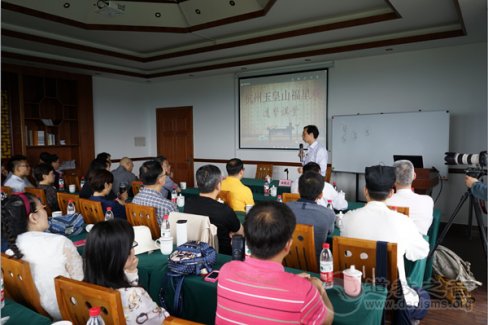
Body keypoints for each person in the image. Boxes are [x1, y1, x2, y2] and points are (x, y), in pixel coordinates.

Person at [216, 201, 334, 324]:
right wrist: (320, 289)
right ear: (288, 245)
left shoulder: (226, 271)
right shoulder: (305, 292)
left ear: (247, 241)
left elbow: (260, 286)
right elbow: (327, 320)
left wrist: (294, 282)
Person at [341, 165, 430, 324]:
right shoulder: (402, 221)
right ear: (391, 193)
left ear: (365, 190)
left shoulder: (348, 218)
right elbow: (421, 252)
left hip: (355, 288)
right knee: (424, 297)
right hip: (391, 295)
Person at [1, 192, 83, 320]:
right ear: (33, 218)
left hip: (39, 312)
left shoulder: (10, 251)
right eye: (43, 208)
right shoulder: (59, 242)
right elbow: (81, 284)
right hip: (71, 313)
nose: (46, 212)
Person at [84, 219, 169, 324]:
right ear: (121, 254)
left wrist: (131, 273)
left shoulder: (81, 287)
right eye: (131, 245)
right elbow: (160, 321)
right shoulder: (133, 295)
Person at [184, 165, 243, 255]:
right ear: (218, 185)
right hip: (222, 255)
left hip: (195, 252)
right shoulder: (224, 210)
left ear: (198, 184)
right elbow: (241, 232)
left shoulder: (188, 204)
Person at [286, 171, 335, 262]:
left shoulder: (283, 208)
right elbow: (330, 232)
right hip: (315, 267)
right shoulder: (328, 214)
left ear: (298, 190)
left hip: (286, 261)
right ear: (320, 195)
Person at [386, 160, 434, 235]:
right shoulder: (428, 200)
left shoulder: (385, 201)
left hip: (390, 243)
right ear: (414, 176)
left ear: (393, 179)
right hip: (417, 244)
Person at [132, 160, 177, 225]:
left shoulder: (135, 200)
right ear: (161, 180)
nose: (166, 176)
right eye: (164, 175)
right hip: (162, 235)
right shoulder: (168, 206)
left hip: (142, 234)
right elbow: (177, 228)